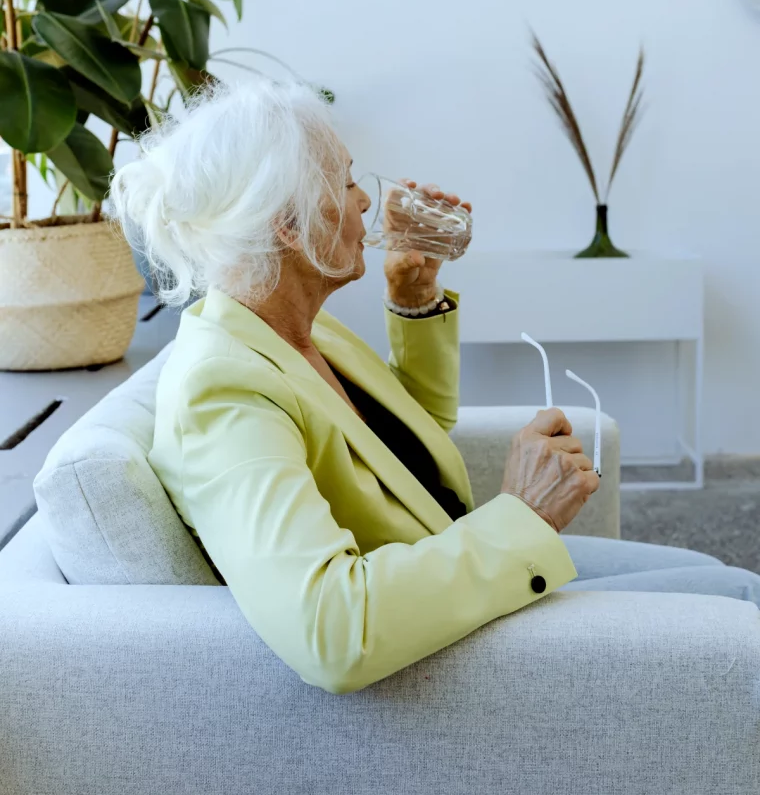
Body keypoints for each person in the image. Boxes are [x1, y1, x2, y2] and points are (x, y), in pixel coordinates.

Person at [110, 78, 760, 694]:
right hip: (448, 633)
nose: (366, 199)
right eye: (345, 180)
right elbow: (333, 632)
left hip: (459, 559)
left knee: (717, 578)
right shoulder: (222, 390)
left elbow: (405, 442)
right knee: (740, 607)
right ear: (290, 223)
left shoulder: (296, 328)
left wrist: (414, 297)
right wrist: (524, 516)